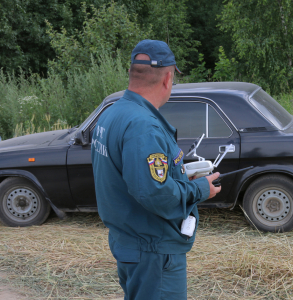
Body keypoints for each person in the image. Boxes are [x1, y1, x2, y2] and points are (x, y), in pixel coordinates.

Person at [91, 39, 221, 300]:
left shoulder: (112, 113)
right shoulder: (143, 126)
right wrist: (199, 188)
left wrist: (181, 175)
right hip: (153, 249)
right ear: (168, 78)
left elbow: (137, 176)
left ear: (132, 74)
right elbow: (154, 193)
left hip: (130, 242)